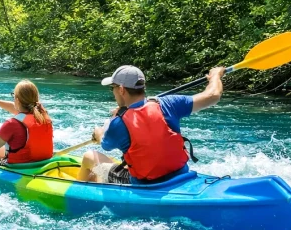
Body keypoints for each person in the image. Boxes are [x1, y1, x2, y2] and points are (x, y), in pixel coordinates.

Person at [76, 65, 226, 184]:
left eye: (113, 88)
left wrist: (99, 132)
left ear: (121, 89)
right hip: (179, 174)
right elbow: (213, 96)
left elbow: (105, 144)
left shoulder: (117, 123)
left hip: (144, 184)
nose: (113, 92)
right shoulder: (168, 103)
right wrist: (215, 76)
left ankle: (78, 195)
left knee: (89, 156)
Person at [0, 80, 54, 165]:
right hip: (41, 161)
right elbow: (14, 107)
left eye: (13, 96)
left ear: (17, 100)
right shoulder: (42, 114)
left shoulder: (12, 124)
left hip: (19, 167)